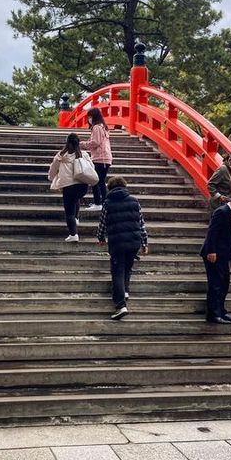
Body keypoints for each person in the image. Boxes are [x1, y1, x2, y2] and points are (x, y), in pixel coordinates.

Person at [97, 176, 149, 320]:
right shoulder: (134, 201)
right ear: (124, 186)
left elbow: (103, 223)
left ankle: (120, 306)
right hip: (134, 242)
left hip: (117, 242)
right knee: (127, 268)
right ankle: (125, 291)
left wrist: (101, 238)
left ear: (110, 188)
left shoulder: (107, 203)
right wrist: (144, 243)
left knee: (117, 272)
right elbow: (141, 222)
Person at [200, 193, 231, 324]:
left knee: (224, 284)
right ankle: (213, 314)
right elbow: (212, 231)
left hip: (224, 254)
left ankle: (221, 311)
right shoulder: (222, 212)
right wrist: (211, 250)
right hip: (214, 254)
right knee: (215, 284)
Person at [48, 133, 90, 242]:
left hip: (68, 186)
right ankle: (76, 218)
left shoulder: (61, 156)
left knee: (69, 212)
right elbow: (91, 167)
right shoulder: (83, 154)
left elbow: (53, 169)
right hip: (82, 186)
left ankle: (73, 234)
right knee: (76, 198)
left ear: (67, 142)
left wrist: (51, 177)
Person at [80, 107, 112, 211]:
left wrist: (83, 144)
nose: (89, 119)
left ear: (93, 116)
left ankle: (98, 203)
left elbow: (95, 142)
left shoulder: (96, 128)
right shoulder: (103, 127)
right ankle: (104, 204)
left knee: (94, 181)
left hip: (100, 158)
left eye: (90, 116)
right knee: (100, 181)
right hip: (105, 158)